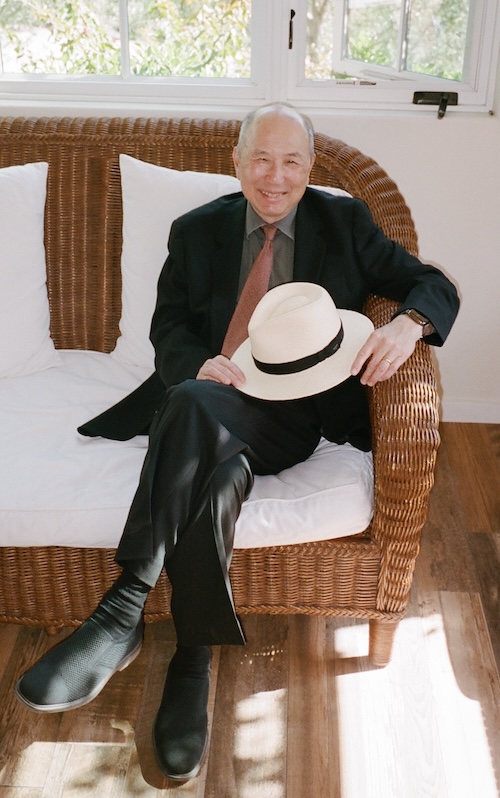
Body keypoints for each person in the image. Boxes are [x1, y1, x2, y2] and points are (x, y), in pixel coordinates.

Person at [15, 103, 459, 781]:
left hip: (295, 416)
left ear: (310, 168)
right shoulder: (197, 231)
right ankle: (193, 655)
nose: (274, 177)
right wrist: (196, 365)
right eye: (260, 158)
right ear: (236, 161)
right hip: (209, 396)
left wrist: (411, 324)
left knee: (193, 412)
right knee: (212, 462)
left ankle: (123, 608)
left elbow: (431, 283)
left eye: (290, 161)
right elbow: (170, 331)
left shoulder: (345, 222)